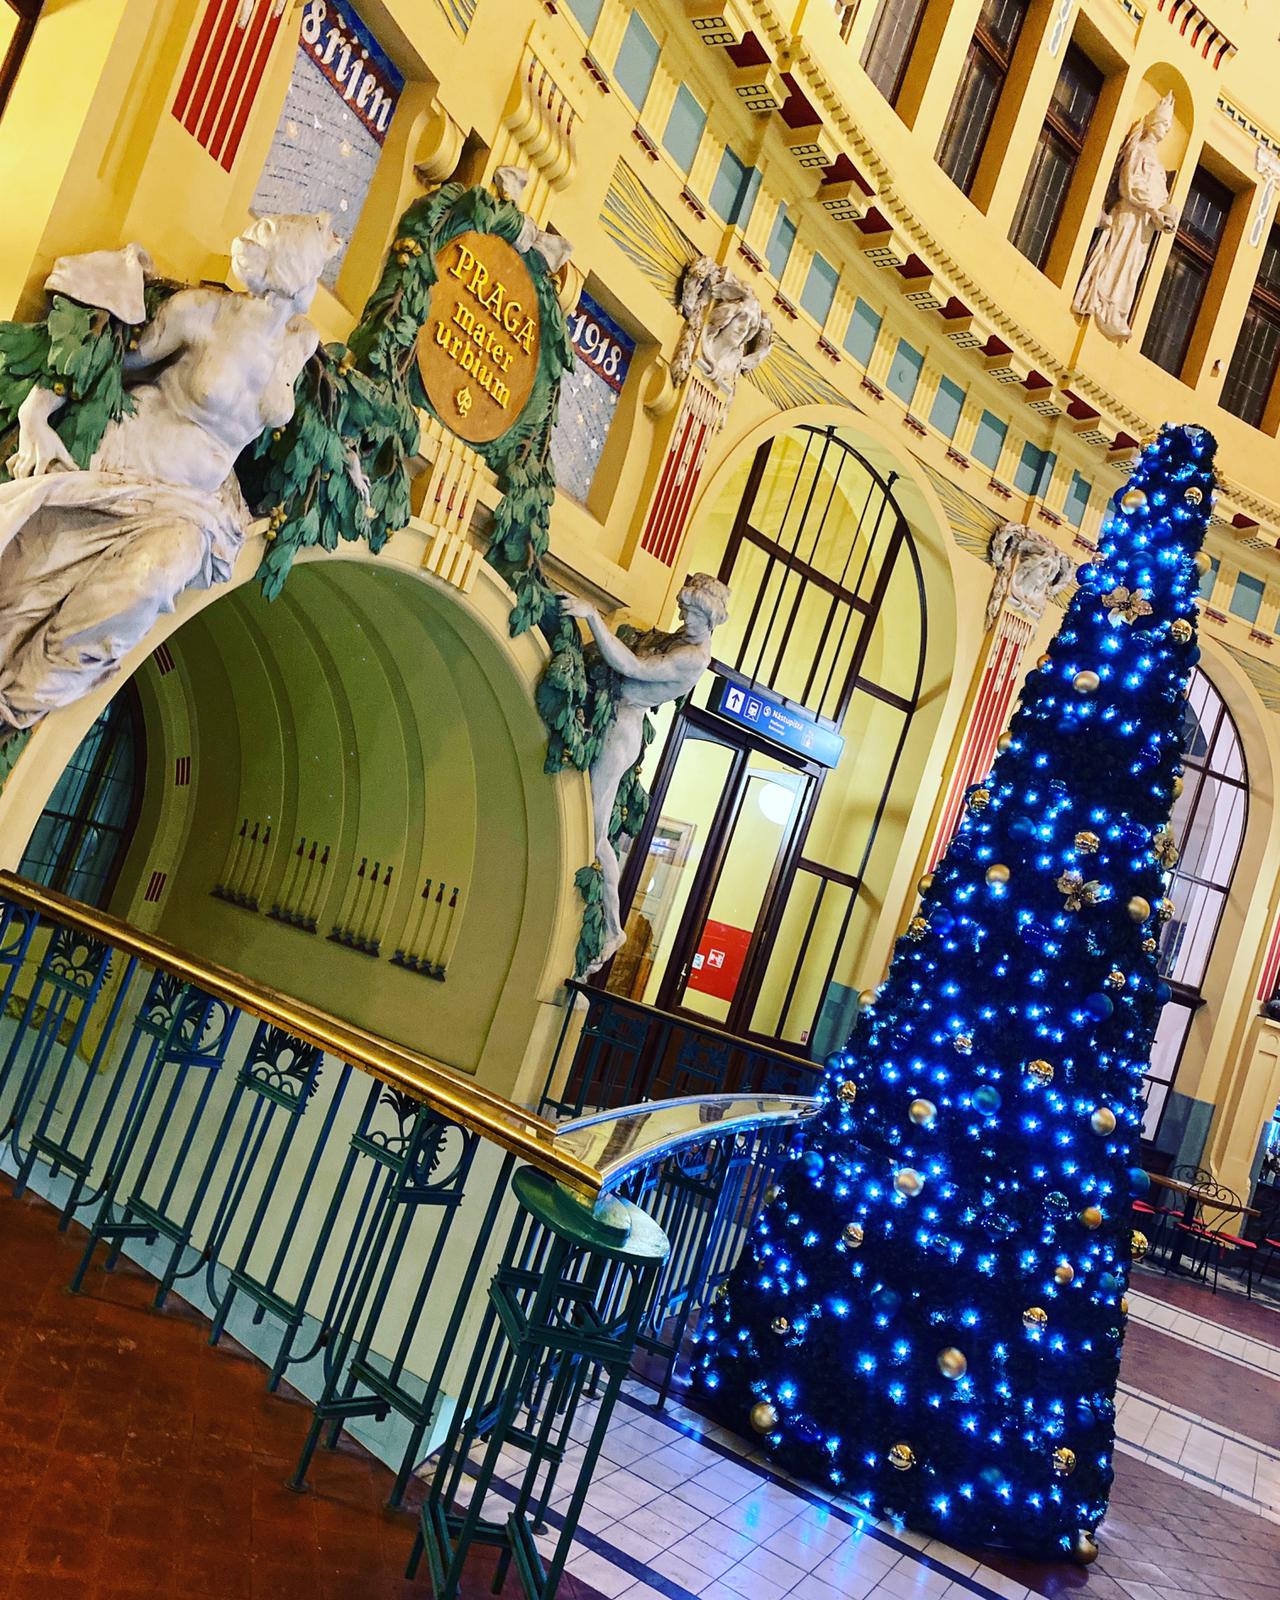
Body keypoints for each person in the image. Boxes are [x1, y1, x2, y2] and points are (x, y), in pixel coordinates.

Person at [0, 212, 339, 737]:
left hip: (194, 510)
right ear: (291, 268)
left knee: (147, 582)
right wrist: (37, 412)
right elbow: (109, 357)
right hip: (125, 474)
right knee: (22, 592)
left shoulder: (299, 342)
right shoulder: (201, 312)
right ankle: (13, 695)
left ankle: (22, 698)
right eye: (313, 259)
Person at [559, 574, 731, 971]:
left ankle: (612, 926)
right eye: (682, 610)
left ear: (708, 617)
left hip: (620, 728)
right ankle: (612, 925)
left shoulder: (693, 657)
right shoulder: (683, 637)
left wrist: (593, 617)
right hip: (607, 715)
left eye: (690, 613)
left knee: (593, 829)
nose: (682, 618)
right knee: (593, 826)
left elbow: (632, 664)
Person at [1073, 93, 1178, 342]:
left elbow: (1160, 195)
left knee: (1131, 268)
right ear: (1152, 123)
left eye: (1168, 126)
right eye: (1163, 124)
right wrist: (1152, 208)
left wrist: (1164, 215)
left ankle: (1117, 312)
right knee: (1116, 258)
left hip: (1144, 225)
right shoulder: (1139, 150)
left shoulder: (1158, 164)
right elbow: (1129, 184)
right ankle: (1101, 303)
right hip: (1129, 215)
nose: (1165, 130)